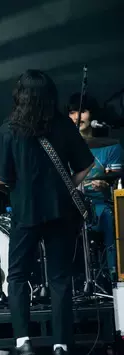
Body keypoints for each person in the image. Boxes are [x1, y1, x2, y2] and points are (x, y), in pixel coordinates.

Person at [0, 70, 94, 355]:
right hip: (61, 212)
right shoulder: (63, 125)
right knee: (59, 278)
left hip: (25, 213)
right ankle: (62, 346)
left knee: (18, 277)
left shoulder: (9, 129)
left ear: (20, 95)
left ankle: (23, 343)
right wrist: (67, 186)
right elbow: (86, 164)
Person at [67, 93, 121, 278]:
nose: (76, 117)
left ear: (93, 114)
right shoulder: (64, 148)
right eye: (72, 112)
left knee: (108, 215)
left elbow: (117, 184)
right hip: (72, 205)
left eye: (82, 111)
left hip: (100, 204)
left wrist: (105, 187)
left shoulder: (111, 148)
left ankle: (113, 273)